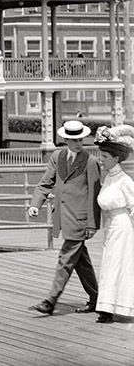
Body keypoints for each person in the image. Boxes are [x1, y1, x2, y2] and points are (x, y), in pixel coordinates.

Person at [27, 119, 101, 316]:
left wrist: (92, 224)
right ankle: (97, 299)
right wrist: (35, 205)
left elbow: (94, 194)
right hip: (62, 216)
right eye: (74, 140)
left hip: (80, 221)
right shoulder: (57, 157)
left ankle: (51, 300)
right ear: (66, 140)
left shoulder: (91, 162)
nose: (78, 143)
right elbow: (45, 184)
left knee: (65, 259)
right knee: (81, 262)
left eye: (81, 139)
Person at [91, 124, 134, 323]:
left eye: (105, 157)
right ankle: (106, 307)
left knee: (119, 265)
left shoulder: (125, 181)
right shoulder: (109, 178)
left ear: (116, 158)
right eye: (101, 156)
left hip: (123, 227)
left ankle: (114, 307)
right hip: (111, 226)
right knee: (109, 265)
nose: (101, 160)